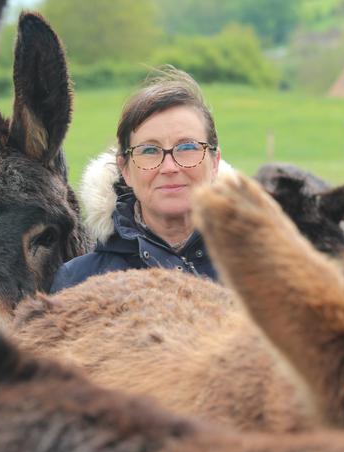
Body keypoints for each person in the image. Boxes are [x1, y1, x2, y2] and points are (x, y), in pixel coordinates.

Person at [50, 67, 223, 293]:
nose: (169, 167)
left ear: (215, 162)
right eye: (149, 150)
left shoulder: (259, 270)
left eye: (187, 147)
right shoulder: (78, 282)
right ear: (126, 169)